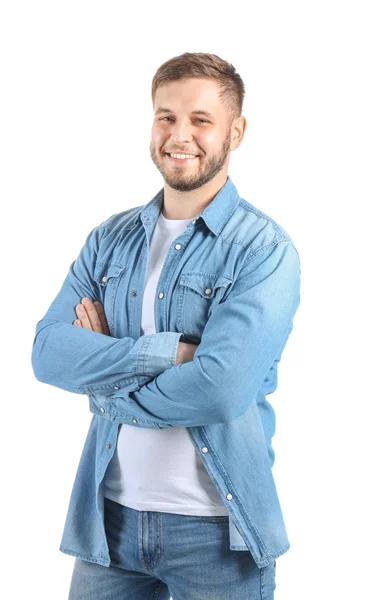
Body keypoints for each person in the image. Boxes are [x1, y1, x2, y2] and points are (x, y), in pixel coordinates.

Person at [32, 52, 301, 600]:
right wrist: (170, 354)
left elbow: (221, 388)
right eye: (166, 116)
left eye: (201, 119)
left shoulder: (263, 250)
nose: (180, 135)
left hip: (217, 535)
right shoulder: (111, 239)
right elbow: (48, 352)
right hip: (108, 526)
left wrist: (105, 384)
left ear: (236, 130)